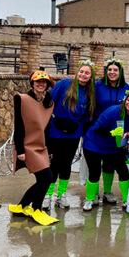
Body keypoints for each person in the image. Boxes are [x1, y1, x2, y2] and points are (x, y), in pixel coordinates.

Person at [8, 71, 59, 226]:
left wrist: (49, 149)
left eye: (44, 82)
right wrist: (20, 150)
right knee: (46, 177)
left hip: (41, 146)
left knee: (44, 179)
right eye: (38, 81)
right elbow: (18, 125)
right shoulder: (22, 98)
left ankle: (22, 206)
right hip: (27, 146)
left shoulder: (48, 103)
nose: (41, 84)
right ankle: (36, 209)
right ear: (32, 83)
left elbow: (47, 127)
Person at [44, 60, 96, 209]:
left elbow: (88, 113)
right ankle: (48, 195)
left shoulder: (90, 92)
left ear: (91, 76)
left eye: (87, 73)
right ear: (77, 72)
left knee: (66, 164)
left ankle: (61, 195)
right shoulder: (64, 84)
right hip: (56, 131)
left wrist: (78, 124)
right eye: (81, 71)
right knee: (53, 164)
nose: (83, 75)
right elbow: (49, 100)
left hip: (73, 133)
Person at [82, 90, 129, 211]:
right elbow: (97, 128)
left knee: (122, 171)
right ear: (125, 100)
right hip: (94, 143)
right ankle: (89, 199)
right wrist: (111, 132)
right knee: (95, 172)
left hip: (114, 146)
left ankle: (126, 199)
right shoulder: (113, 111)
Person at [95, 58, 129, 203]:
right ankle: (94, 192)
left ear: (120, 72)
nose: (112, 72)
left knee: (110, 162)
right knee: (95, 162)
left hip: (118, 131)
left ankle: (107, 192)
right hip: (100, 129)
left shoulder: (126, 88)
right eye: (109, 69)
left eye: (115, 70)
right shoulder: (98, 86)